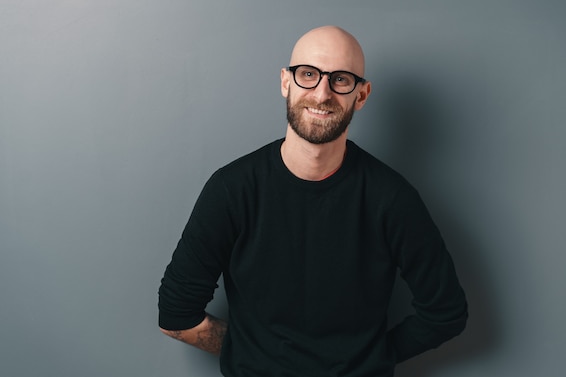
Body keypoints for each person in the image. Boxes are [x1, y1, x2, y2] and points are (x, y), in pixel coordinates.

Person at [158, 25, 468, 376]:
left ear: (362, 95)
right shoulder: (232, 189)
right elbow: (175, 316)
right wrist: (249, 353)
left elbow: (446, 314)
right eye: (308, 75)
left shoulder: (392, 199)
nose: (322, 94)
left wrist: (370, 359)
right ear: (285, 83)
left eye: (340, 80)